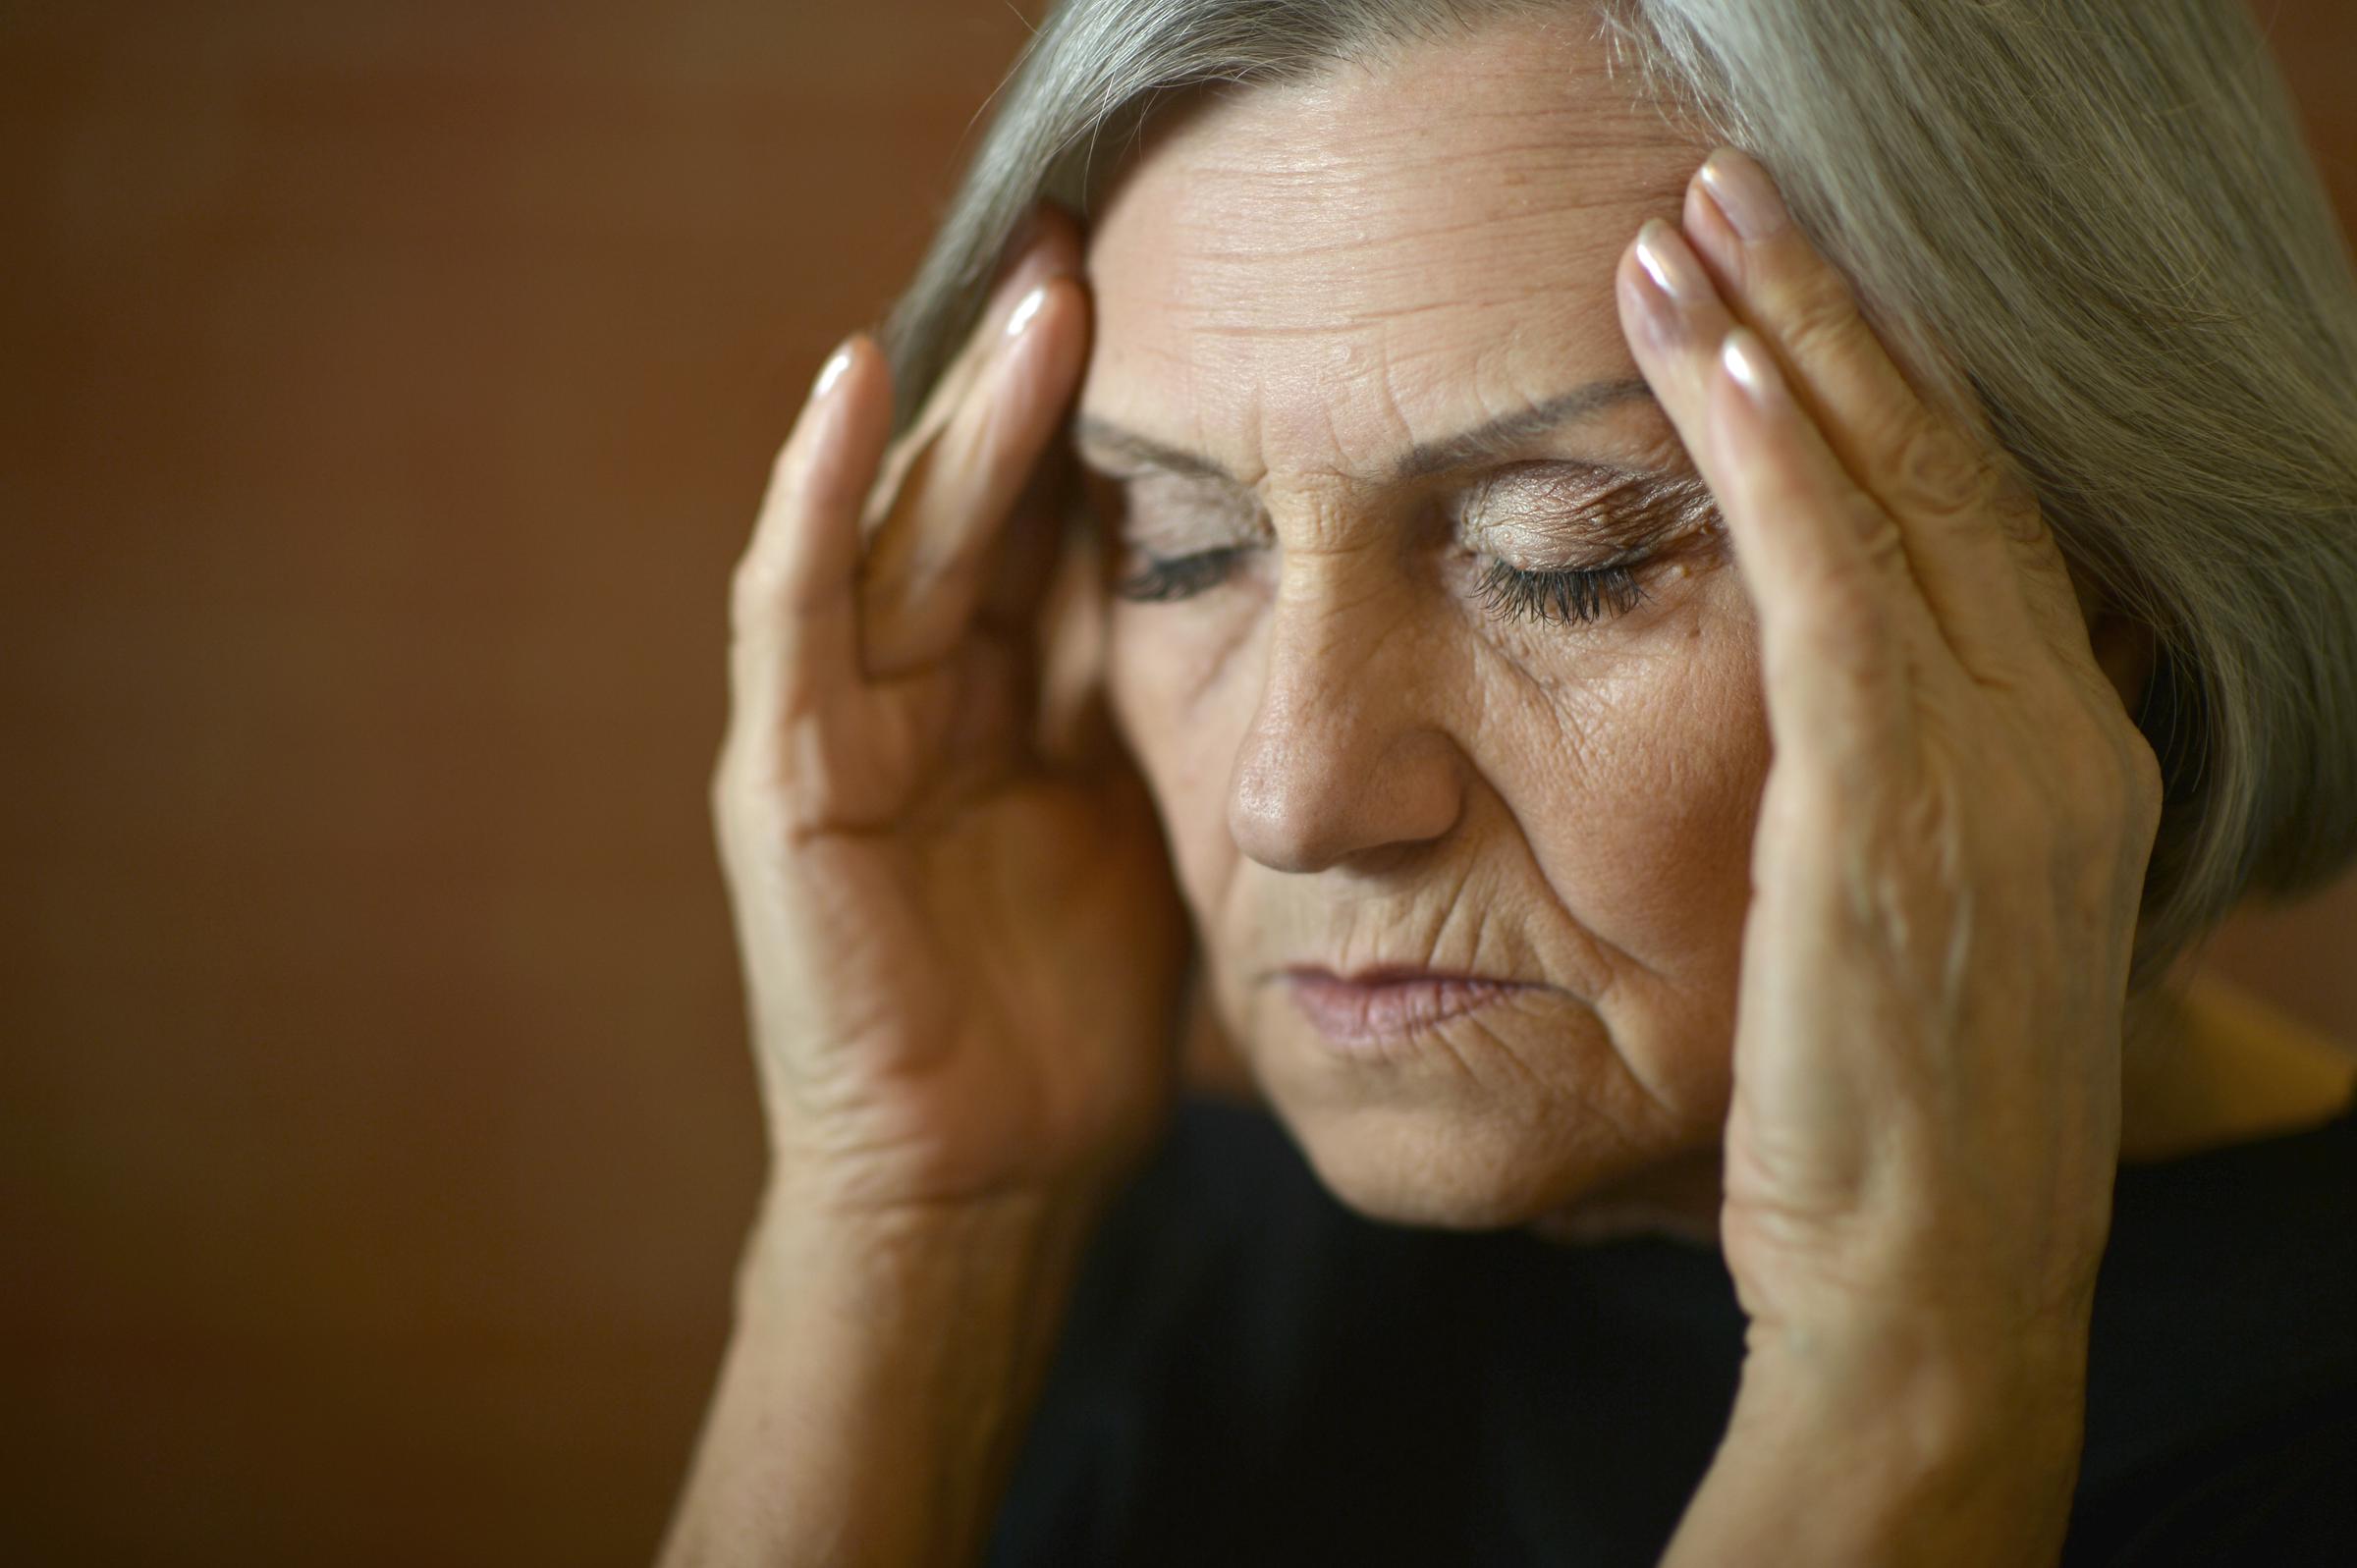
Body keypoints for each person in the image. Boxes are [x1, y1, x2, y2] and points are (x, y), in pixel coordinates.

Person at [660, 0, 2357, 1562]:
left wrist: (1908, 1402)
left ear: (2093, 588)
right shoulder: (1142, 1286)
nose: (1293, 794)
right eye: (1180, 549)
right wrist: (909, 1227)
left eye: (1569, 554)